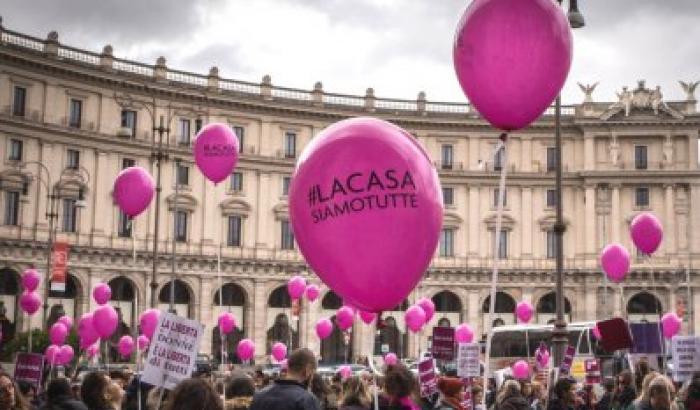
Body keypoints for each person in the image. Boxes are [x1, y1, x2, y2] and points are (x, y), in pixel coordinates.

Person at [249, 348, 320, 410]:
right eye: (313, 372)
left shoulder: (259, 396)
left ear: (288, 366)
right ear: (307, 369)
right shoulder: (306, 400)